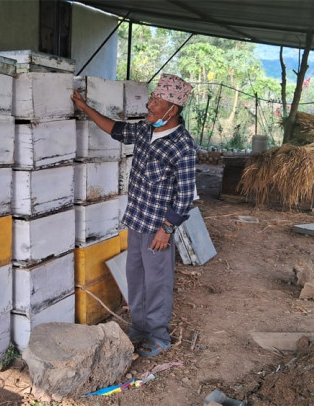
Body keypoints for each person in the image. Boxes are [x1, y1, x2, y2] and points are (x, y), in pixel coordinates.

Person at [71, 74, 197, 357]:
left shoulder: (182, 145)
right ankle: (139, 328)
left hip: (157, 229)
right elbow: (115, 129)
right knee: (136, 279)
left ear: (172, 110)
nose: (149, 104)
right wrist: (85, 107)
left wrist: (167, 229)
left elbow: (186, 196)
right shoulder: (145, 131)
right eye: (151, 98)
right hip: (137, 222)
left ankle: (159, 337)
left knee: (157, 284)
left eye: (156, 101)